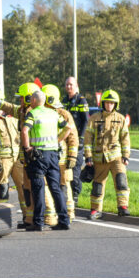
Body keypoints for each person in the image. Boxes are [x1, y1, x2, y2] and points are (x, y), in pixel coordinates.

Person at [0, 82, 39, 227]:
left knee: (23, 188)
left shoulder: (14, 116)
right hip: (2, 160)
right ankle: (0, 220)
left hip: (18, 158)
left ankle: (28, 218)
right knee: (3, 189)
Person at [21, 90, 71, 231]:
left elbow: (25, 131)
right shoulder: (54, 113)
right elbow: (68, 128)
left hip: (38, 155)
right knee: (55, 188)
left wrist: (27, 149)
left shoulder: (32, 113)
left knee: (38, 188)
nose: (30, 101)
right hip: (53, 155)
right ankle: (64, 220)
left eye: (31, 99)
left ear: (35, 101)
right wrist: (58, 140)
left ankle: (38, 223)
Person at [83, 89, 131, 219]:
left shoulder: (120, 119)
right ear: (102, 104)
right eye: (107, 103)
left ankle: (123, 206)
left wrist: (126, 155)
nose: (109, 105)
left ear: (116, 104)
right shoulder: (94, 119)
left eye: (112, 103)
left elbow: (125, 138)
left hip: (116, 158)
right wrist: (88, 156)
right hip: (99, 158)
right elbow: (88, 138)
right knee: (98, 186)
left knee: (121, 181)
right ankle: (95, 210)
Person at [43, 84, 79, 221]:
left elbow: (73, 137)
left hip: (62, 158)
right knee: (50, 185)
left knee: (64, 184)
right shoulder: (43, 113)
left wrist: (72, 156)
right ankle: (54, 214)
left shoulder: (64, 114)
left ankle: (69, 214)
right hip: (49, 156)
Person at [62, 76, 89, 205]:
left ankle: (75, 194)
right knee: (65, 166)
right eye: (67, 85)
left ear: (76, 86)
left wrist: (82, 138)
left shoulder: (81, 101)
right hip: (66, 139)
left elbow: (85, 121)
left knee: (76, 167)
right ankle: (67, 194)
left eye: (71, 85)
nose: (68, 87)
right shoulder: (64, 100)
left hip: (77, 140)